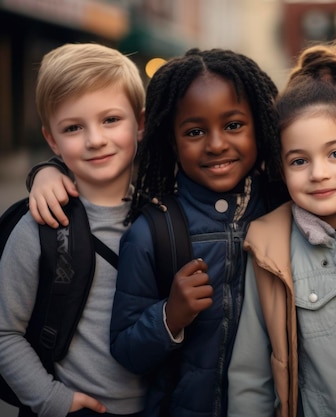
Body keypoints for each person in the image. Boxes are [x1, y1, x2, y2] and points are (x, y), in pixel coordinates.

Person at [26, 48, 288, 417]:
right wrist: (169, 317)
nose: (216, 144)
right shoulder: (153, 229)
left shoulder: (286, 205)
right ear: (169, 139)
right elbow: (127, 350)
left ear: (259, 125)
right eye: (195, 131)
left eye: (233, 125)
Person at [227, 43, 336, 417]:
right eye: (299, 160)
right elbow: (250, 376)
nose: (319, 173)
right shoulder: (270, 250)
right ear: (281, 168)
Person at [0, 43, 146, 417]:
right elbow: (3, 332)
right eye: (73, 127)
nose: (95, 139)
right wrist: (52, 401)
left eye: (111, 120)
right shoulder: (42, 225)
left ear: (141, 123)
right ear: (52, 139)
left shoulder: (165, 210)